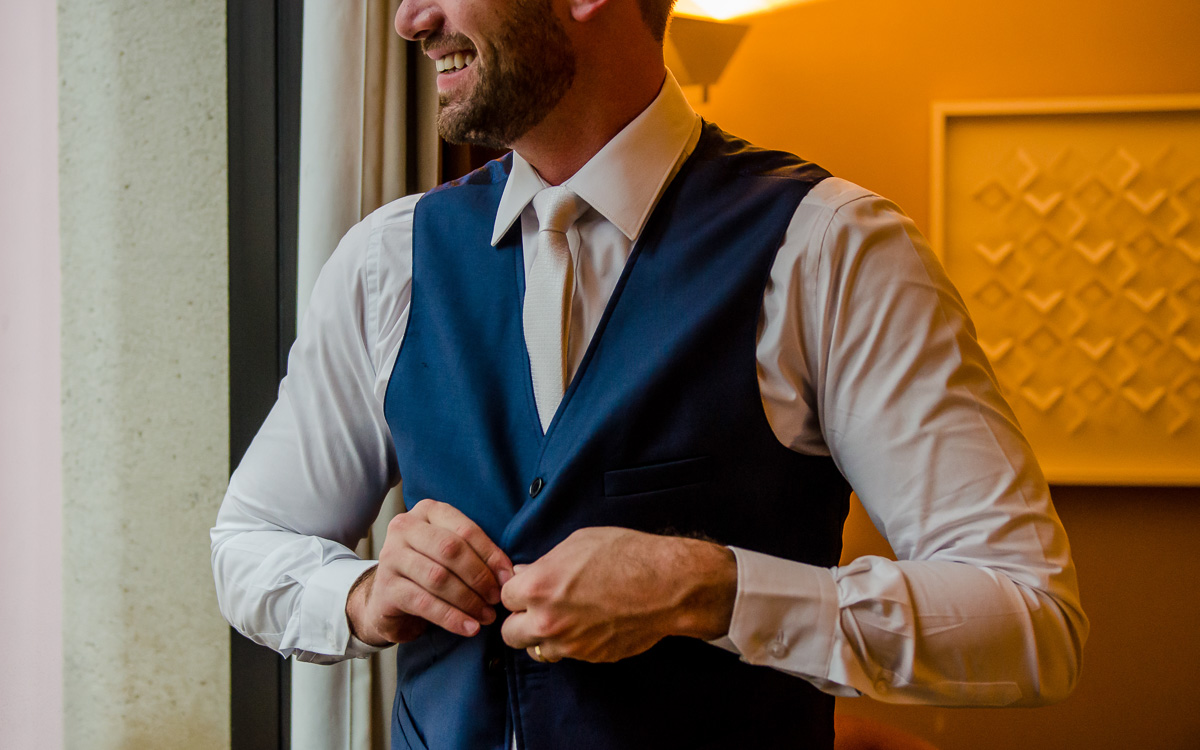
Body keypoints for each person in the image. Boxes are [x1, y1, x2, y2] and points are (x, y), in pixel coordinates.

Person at [211, 0, 1088, 747]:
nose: (409, 17)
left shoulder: (833, 251)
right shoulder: (386, 261)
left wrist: (709, 590)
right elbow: (249, 544)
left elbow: (1029, 622)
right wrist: (362, 593)